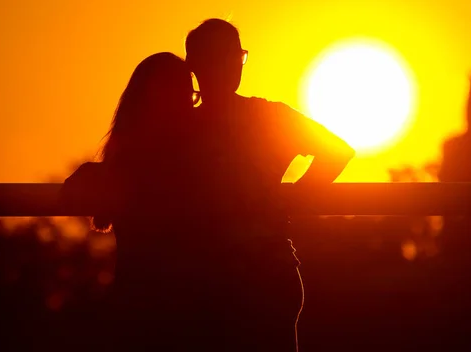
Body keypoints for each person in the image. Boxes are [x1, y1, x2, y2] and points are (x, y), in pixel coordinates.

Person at [185, 18, 355, 351]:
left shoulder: (181, 128)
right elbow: (337, 151)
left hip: (220, 280)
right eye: (228, 56)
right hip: (260, 273)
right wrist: (295, 199)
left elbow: (339, 151)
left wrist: (296, 198)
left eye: (237, 56)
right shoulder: (267, 117)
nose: (234, 64)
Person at [61, 52, 207, 350]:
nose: (191, 105)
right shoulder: (199, 162)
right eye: (186, 96)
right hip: (188, 313)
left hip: (135, 306)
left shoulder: (119, 167)